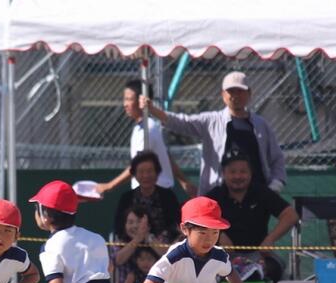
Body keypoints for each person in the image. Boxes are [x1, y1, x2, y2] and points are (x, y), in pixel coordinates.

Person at [142, 71, 287, 195]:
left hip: (256, 193)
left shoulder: (261, 124)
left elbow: (277, 157)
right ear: (223, 95)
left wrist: (277, 183)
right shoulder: (211, 121)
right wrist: (153, 110)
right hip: (220, 194)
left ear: (249, 94)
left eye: (240, 91)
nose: (235, 95)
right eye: (231, 91)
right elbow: (182, 122)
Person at [206, 151, 299, 283]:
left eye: (243, 172)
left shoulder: (262, 192)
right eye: (232, 172)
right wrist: (218, 235)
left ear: (251, 174)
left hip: (258, 255)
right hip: (223, 256)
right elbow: (193, 219)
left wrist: (270, 239)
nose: (238, 176)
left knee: (274, 268)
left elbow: (290, 215)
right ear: (224, 174)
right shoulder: (214, 196)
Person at [96, 80, 196, 197]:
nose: (125, 104)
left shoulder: (147, 129)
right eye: (125, 99)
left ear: (141, 101)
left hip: (154, 194)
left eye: (129, 99)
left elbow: (138, 165)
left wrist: (109, 186)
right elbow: (165, 156)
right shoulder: (143, 127)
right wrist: (184, 181)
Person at [113, 151, 181, 243]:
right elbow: (119, 228)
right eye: (141, 172)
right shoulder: (126, 198)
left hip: (162, 246)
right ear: (135, 174)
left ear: (157, 173)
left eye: (150, 171)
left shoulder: (168, 196)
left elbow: (175, 226)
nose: (145, 176)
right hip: (132, 245)